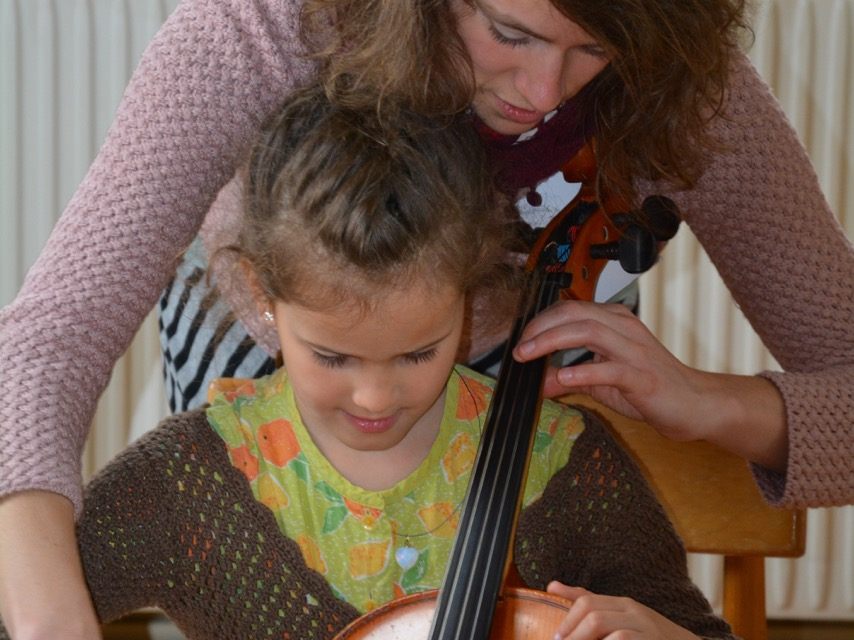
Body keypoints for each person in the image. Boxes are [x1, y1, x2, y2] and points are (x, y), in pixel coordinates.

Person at [0, 0, 851, 637]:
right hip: (278, 345)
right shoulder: (264, 28)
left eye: (596, 45)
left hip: (532, 381)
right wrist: (48, 624)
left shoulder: (684, 82)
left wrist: (713, 405)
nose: (545, 90)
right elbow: (45, 342)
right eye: (510, 33)